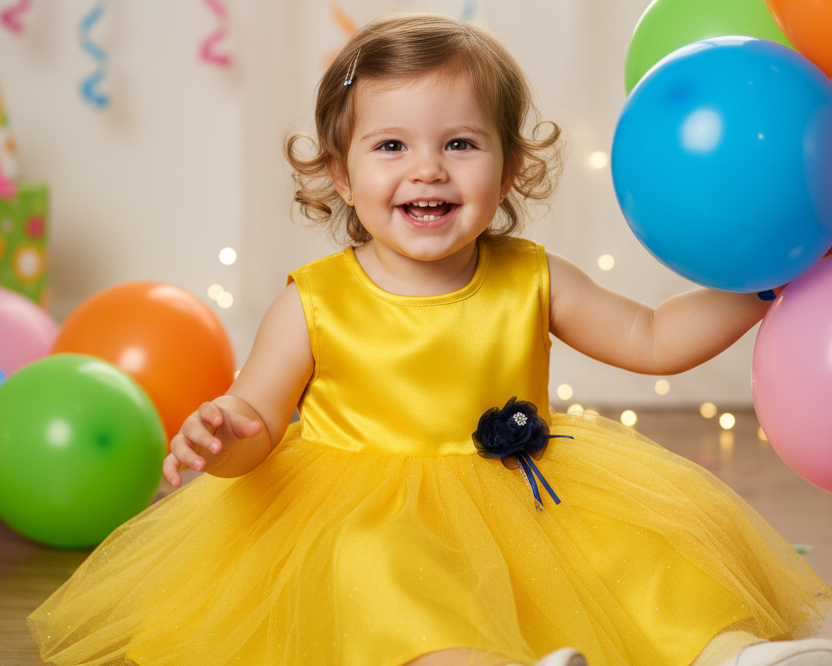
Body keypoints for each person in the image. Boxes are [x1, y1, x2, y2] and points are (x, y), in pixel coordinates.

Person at [29, 13, 831, 666]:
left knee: (640, 555)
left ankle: (730, 652)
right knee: (389, 582)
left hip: (528, 495)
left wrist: (760, 282)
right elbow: (259, 423)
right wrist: (223, 436)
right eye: (391, 146)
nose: (428, 170)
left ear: (510, 168)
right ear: (341, 174)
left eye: (460, 143)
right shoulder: (316, 301)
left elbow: (651, 338)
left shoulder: (531, 275)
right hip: (362, 509)